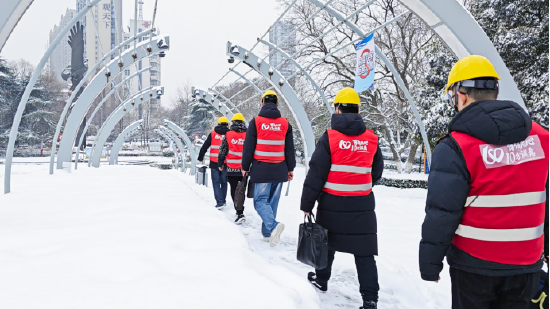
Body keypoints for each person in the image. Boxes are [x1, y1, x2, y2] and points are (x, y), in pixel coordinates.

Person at [419, 55, 549, 309]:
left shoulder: (455, 146)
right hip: (526, 264)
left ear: (461, 95)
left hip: (473, 265)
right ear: (496, 91)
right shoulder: (542, 138)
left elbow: (442, 213)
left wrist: (430, 263)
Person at [300, 87, 384, 309]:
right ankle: (370, 299)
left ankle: (322, 280)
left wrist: (307, 204)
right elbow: (376, 172)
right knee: (364, 253)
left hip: (331, 204)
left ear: (337, 110)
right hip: (363, 206)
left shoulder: (329, 138)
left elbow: (316, 173)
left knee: (326, 244)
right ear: (358, 110)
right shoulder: (372, 139)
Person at [241, 90, 296, 247]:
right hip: (280, 169)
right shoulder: (285, 124)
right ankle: (267, 234)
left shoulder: (256, 122)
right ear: (277, 105)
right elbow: (289, 149)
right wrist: (290, 168)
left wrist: (245, 166)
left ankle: (272, 226)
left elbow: (248, 147)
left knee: (260, 201)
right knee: (272, 202)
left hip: (261, 168)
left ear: (262, 104)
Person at [218, 113, 248, 224]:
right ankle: (240, 210)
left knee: (234, 189)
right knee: (241, 189)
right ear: (243, 123)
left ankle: (239, 211)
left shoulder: (228, 134)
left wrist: (220, 164)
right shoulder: (248, 134)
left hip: (231, 168)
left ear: (232, 123)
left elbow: (223, 150)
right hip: (244, 168)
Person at [198, 117, 230, 210]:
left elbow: (205, 146)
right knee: (224, 183)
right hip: (225, 162)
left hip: (214, 162)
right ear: (227, 125)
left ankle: (219, 202)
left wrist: (200, 157)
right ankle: (223, 200)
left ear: (218, 124)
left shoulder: (213, 133)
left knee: (216, 183)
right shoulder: (229, 134)